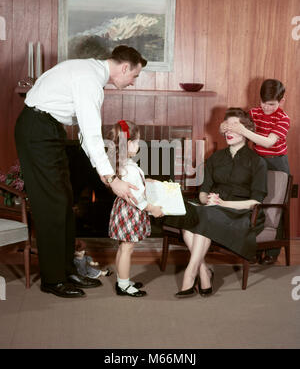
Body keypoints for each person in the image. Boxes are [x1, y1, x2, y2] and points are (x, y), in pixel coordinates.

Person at [15, 45, 147, 298]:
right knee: (52, 206)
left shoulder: (89, 72)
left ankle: (66, 271)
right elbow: (91, 136)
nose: (132, 82)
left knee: (64, 202)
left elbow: (88, 139)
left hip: (49, 130)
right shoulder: (89, 80)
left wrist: (106, 173)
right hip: (37, 131)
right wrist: (112, 179)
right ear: (125, 67)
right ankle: (53, 280)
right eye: (134, 76)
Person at [175, 108, 268, 298]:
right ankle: (204, 272)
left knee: (204, 217)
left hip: (242, 214)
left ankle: (190, 274)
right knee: (189, 214)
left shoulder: (257, 162)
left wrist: (223, 204)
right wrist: (207, 199)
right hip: (213, 209)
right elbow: (203, 191)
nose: (228, 132)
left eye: (234, 127)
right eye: (226, 128)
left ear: (246, 130)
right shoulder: (215, 157)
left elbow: (255, 202)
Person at [221, 79, 290, 264]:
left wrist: (243, 129)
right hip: (257, 161)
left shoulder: (283, 119)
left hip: (277, 163)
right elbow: (234, 126)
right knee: (254, 201)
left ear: (281, 101)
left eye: (271, 104)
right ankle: (252, 246)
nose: (266, 108)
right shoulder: (254, 112)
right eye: (263, 103)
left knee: (276, 207)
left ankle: (271, 253)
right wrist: (226, 126)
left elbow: (268, 142)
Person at [107, 120, 164, 297]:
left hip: (124, 209)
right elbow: (136, 198)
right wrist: (152, 209)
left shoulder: (125, 164)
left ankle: (121, 280)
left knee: (123, 247)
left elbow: (134, 184)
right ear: (129, 143)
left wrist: (148, 181)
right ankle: (123, 285)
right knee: (127, 248)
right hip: (131, 210)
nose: (139, 145)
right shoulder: (128, 168)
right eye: (138, 141)